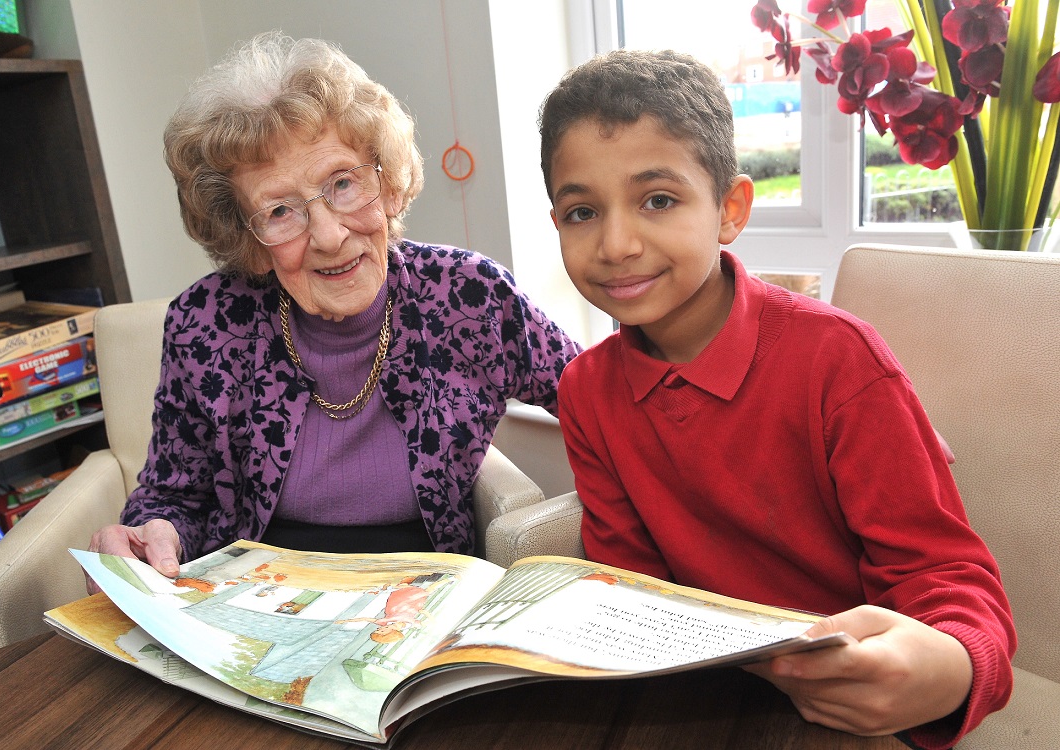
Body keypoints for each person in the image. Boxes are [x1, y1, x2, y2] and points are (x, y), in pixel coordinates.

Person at [538, 49, 1014, 750]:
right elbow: (630, 584)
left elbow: (949, 581)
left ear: (729, 209)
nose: (615, 244)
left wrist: (948, 667)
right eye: (581, 211)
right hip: (701, 700)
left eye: (658, 200)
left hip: (849, 709)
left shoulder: (837, 360)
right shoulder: (584, 391)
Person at [87, 32, 580, 583]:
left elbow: (597, 396)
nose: (328, 235)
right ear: (247, 238)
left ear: (388, 182)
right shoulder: (205, 324)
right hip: (259, 605)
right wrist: (153, 532)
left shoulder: (467, 296)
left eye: (342, 183)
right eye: (280, 211)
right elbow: (172, 492)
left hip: (422, 600)